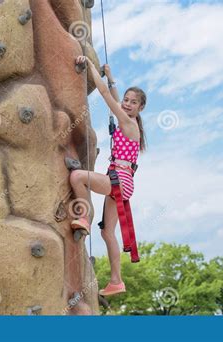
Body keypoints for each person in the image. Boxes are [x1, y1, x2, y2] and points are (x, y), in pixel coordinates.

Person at [69, 55, 147, 296]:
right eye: (126, 100)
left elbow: (104, 95)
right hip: (123, 181)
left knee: (77, 177)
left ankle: (84, 217)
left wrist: (91, 67)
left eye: (133, 102)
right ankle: (117, 281)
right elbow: (113, 95)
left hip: (119, 180)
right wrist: (110, 76)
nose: (126, 104)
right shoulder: (128, 120)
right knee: (107, 233)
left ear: (140, 107)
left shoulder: (128, 122)